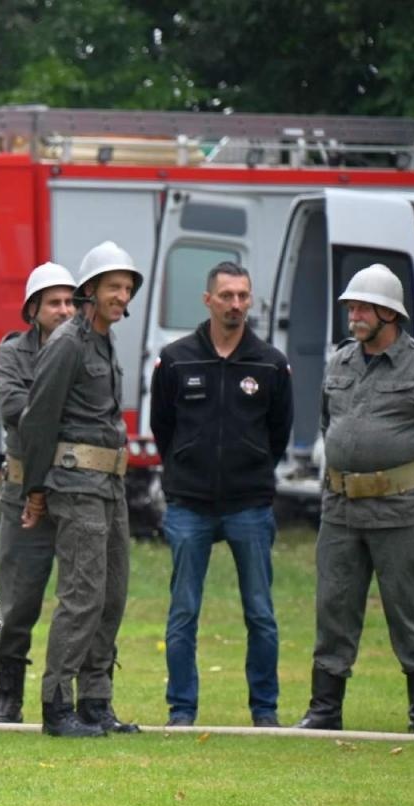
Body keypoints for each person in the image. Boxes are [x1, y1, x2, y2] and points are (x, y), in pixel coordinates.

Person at [296, 264, 414, 734]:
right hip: (341, 509)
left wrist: (413, 481)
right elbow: (328, 422)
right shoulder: (340, 362)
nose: (354, 316)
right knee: (334, 606)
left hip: (402, 509)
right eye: (351, 307)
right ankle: (324, 709)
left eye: (363, 308)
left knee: (408, 607)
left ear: (390, 314)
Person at [149, 262, 293, 727]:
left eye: (243, 296)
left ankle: (265, 712)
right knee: (183, 613)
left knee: (261, 613)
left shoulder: (270, 363)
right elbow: (162, 430)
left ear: (251, 301)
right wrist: (184, 467)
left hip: (249, 505)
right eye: (226, 295)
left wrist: (251, 468)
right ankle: (182, 710)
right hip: (189, 504)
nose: (235, 304)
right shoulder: (175, 359)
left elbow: (279, 433)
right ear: (208, 299)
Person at [19, 241, 142, 738]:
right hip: (76, 484)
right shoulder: (68, 342)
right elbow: (37, 418)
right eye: (114, 286)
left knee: (112, 595)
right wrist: (35, 489)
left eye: (127, 286)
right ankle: (57, 704)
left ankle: (96, 701)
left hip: (109, 484)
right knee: (82, 594)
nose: (122, 294)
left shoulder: (104, 339)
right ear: (89, 291)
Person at [0, 262, 76, 724]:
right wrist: (62, 411)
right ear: (33, 310)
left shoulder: (89, 349)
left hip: (76, 490)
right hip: (23, 491)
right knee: (17, 600)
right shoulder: (12, 353)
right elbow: (12, 409)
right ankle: (8, 697)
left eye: (69, 302)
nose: (64, 311)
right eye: (54, 303)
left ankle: (72, 698)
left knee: (82, 599)